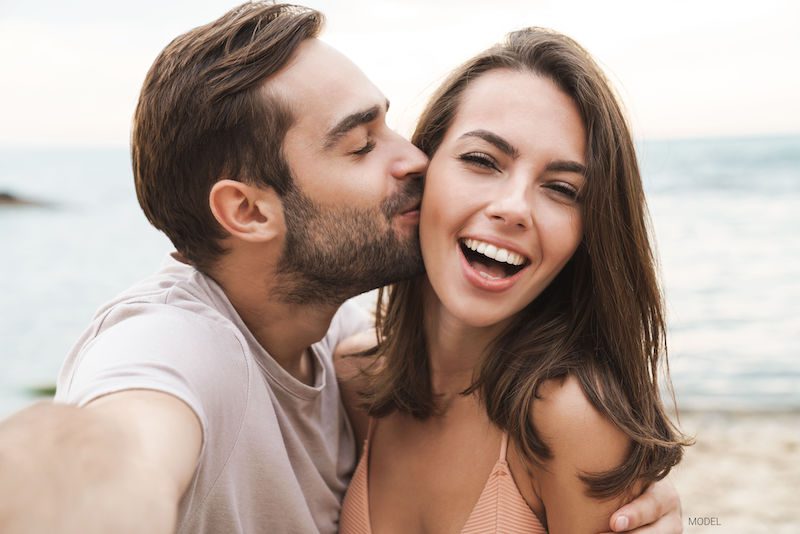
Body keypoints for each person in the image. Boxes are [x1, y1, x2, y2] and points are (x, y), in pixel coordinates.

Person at [0, 3, 682, 533]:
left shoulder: (345, 355)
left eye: (563, 188)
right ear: (248, 211)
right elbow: (126, 440)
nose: (413, 159)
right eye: (361, 145)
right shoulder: (188, 347)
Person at [337, 27, 689, 534]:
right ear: (423, 168)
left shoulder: (570, 420)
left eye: (563, 189)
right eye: (482, 161)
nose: (514, 208)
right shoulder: (355, 377)